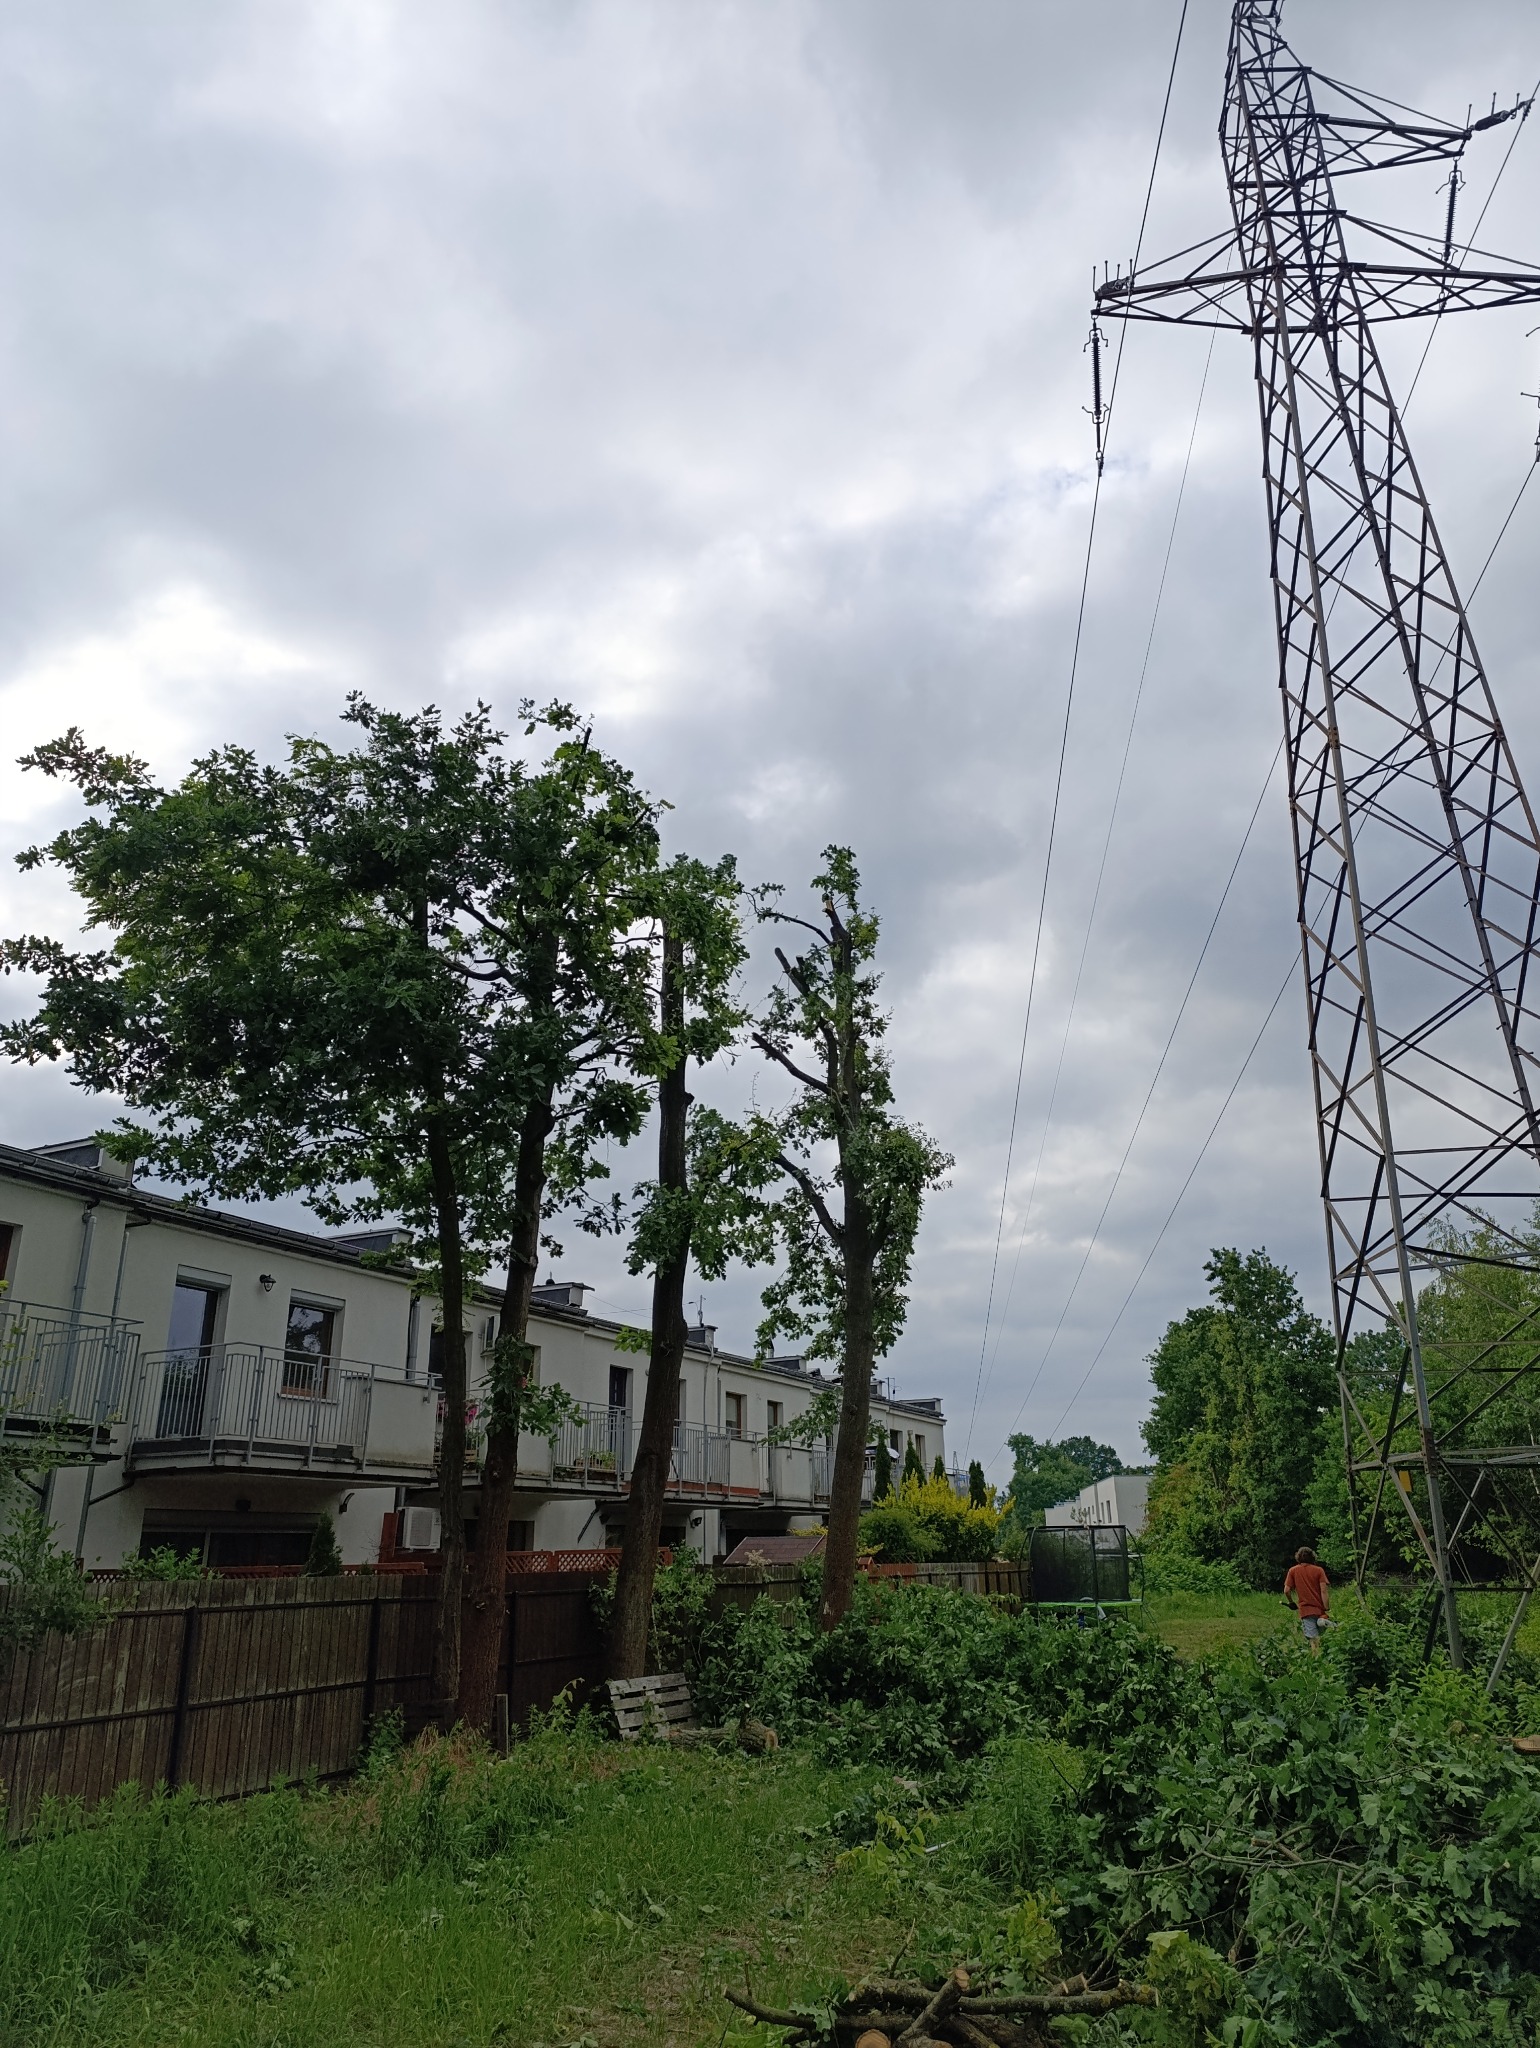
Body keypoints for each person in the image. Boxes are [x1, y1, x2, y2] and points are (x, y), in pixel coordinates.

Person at [1283, 1545, 1330, 1651]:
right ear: (1313, 1557)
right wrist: (1326, 1608)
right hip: (1320, 1612)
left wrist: (1291, 1602)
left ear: (1298, 1557)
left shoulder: (1293, 1570)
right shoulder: (1319, 1570)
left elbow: (1286, 1590)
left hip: (1306, 1611)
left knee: (1314, 1641)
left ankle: (1315, 1659)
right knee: (1322, 1639)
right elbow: (1323, 1591)